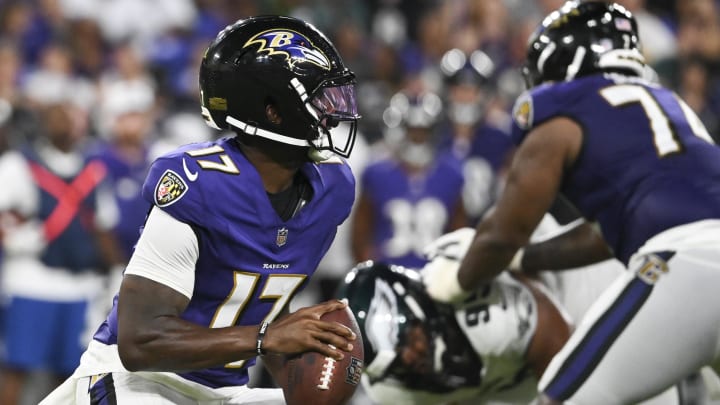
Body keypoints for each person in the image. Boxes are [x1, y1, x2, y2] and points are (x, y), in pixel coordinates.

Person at [40, 15, 361, 404]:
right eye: (318, 99)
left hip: (223, 391)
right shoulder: (201, 182)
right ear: (273, 110)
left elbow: (259, 297)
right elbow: (140, 341)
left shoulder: (331, 187)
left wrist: (304, 360)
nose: (332, 112)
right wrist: (266, 338)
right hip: (139, 383)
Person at [422, 1, 720, 404]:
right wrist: (523, 260)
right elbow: (604, 237)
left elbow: (501, 234)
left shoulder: (564, 110)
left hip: (682, 265)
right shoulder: (674, 106)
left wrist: (454, 282)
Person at [0, 100, 118, 405]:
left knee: (73, 376)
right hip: (32, 282)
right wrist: (16, 237)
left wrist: (119, 271)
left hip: (81, 287)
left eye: (70, 117)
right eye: (57, 118)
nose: (65, 124)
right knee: (17, 369)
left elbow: (102, 226)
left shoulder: (92, 171)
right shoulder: (18, 164)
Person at [351, 89, 467, 269]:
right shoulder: (376, 173)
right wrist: (370, 270)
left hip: (434, 277)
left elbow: (458, 235)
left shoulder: (451, 174)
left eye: (423, 131)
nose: (417, 137)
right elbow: (360, 234)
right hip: (387, 274)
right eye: (412, 130)